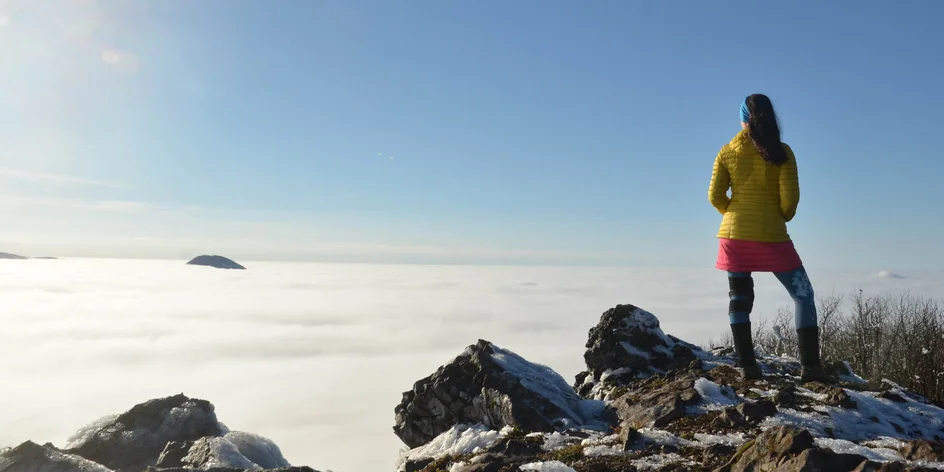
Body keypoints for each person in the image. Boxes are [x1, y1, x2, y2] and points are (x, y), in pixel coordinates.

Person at [708, 93, 830, 383]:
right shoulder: (783, 152)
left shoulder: (726, 151)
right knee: (803, 296)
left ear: (742, 120)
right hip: (772, 236)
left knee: (739, 299)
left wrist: (734, 214)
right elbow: (791, 200)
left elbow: (714, 196)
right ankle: (811, 369)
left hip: (733, 238)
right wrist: (778, 217)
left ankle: (747, 367)